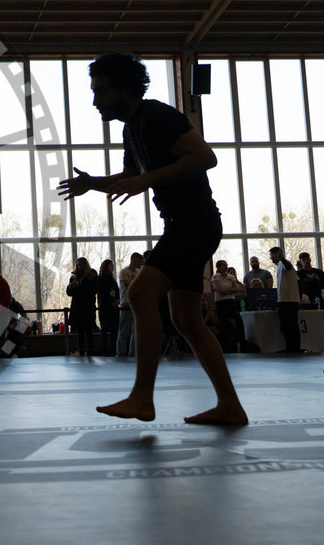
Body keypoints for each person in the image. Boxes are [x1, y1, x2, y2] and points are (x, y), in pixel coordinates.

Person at [58, 52, 246, 425]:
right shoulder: (133, 130)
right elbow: (129, 176)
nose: (95, 101)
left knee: (141, 294)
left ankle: (142, 398)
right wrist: (92, 183)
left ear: (126, 90)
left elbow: (205, 157)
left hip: (194, 222)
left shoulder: (158, 116)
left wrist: (145, 180)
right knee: (187, 320)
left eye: (101, 91)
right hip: (187, 223)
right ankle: (230, 405)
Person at [270, 246, 301, 353]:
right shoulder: (280, 265)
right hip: (287, 299)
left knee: (289, 325)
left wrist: (282, 258)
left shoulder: (284, 263)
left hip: (287, 300)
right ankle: (292, 346)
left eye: (272, 255)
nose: (271, 258)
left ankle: (293, 347)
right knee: (289, 325)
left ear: (277, 254)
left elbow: (287, 267)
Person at [66, 257, 99, 355]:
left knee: (89, 331)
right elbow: (69, 293)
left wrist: (78, 286)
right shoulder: (74, 277)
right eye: (77, 265)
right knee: (79, 332)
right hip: (77, 308)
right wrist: (71, 286)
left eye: (80, 265)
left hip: (88, 308)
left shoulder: (92, 276)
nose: (79, 267)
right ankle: (81, 351)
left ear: (85, 265)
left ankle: (89, 351)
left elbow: (93, 290)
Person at [212, 260, 242, 353]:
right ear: (218, 267)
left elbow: (236, 289)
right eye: (223, 265)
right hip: (221, 303)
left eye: (226, 265)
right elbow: (218, 289)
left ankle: (233, 345)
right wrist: (230, 290)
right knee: (223, 323)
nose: (225, 267)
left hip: (230, 302)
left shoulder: (231, 277)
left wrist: (225, 290)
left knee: (232, 323)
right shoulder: (215, 276)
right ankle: (224, 346)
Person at [117, 252, 144, 357]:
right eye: (139, 262)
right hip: (126, 303)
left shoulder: (138, 273)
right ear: (134, 261)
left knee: (135, 331)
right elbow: (127, 284)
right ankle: (121, 354)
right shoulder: (124, 272)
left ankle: (133, 353)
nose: (141, 264)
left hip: (136, 303)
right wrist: (138, 282)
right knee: (124, 331)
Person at [96, 259, 119, 356]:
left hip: (113, 308)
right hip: (105, 308)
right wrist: (111, 302)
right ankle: (104, 351)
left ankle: (113, 350)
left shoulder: (112, 280)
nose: (112, 268)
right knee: (104, 330)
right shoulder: (100, 280)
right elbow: (102, 294)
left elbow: (117, 291)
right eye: (111, 266)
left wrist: (117, 300)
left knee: (114, 330)